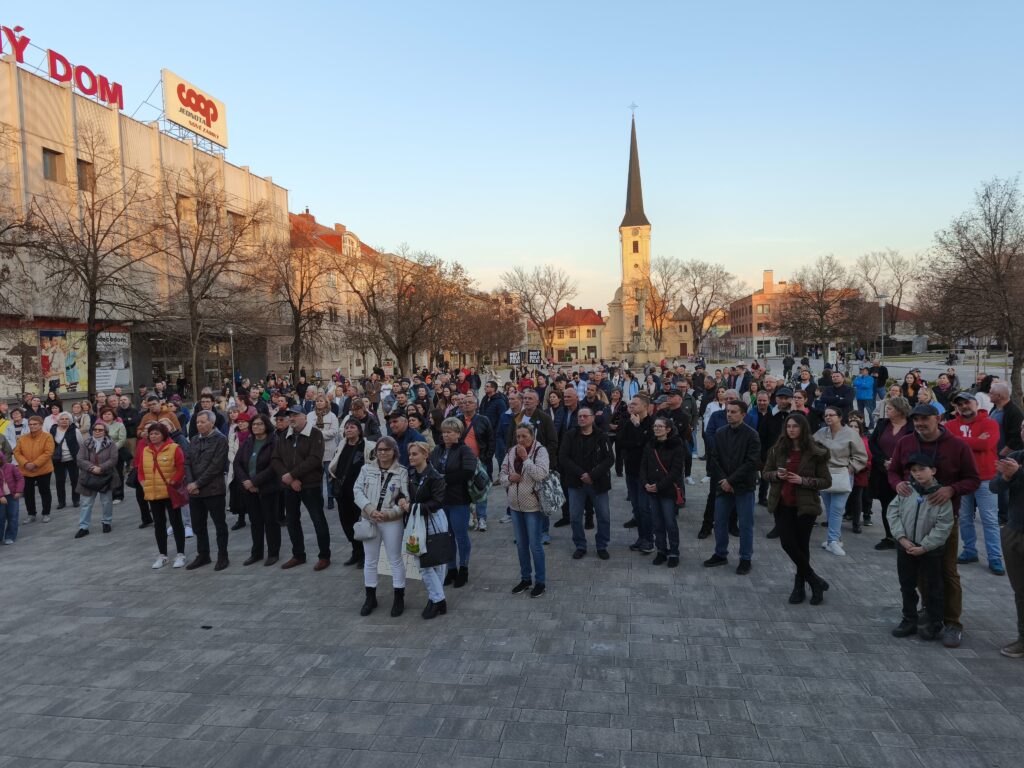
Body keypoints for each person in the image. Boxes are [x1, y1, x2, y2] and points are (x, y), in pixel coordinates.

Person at [888, 403, 980, 649]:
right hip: (911, 521)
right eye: (915, 419)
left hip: (944, 521)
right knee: (917, 573)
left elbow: (973, 479)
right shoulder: (905, 443)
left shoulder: (957, 445)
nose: (919, 423)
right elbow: (894, 471)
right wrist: (897, 483)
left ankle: (952, 623)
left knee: (947, 573)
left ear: (937, 418)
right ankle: (926, 614)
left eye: (924, 419)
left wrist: (952, 489)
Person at [762, 412, 832, 604]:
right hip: (782, 504)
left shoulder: (816, 451)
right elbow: (765, 473)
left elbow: (826, 481)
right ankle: (815, 581)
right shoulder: (778, 450)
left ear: (803, 429)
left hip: (805, 506)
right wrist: (777, 475)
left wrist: (803, 480)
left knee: (802, 546)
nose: (791, 429)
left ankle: (800, 586)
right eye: (788, 426)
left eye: (795, 426)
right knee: (787, 543)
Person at [887, 453, 954, 641]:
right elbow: (893, 513)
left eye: (922, 469)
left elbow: (944, 525)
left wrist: (925, 546)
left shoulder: (940, 495)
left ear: (933, 470)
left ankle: (934, 621)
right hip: (906, 545)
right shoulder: (907, 490)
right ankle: (909, 618)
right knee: (906, 584)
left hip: (930, 550)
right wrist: (901, 538)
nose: (917, 474)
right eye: (913, 471)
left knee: (933, 585)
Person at [947, 392, 1004, 575]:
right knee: (964, 518)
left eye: (967, 402)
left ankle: (995, 558)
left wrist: (958, 440)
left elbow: (986, 446)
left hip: (986, 478)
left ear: (976, 403)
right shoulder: (950, 425)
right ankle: (970, 551)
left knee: (989, 520)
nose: (964, 406)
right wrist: (975, 441)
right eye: (960, 404)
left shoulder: (990, 423)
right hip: (962, 479)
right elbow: (949, 445)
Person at [352, 436, 408, 617]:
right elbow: (357, 490)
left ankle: (399, 597)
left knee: (395, 559)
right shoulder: (366, 469)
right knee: (370, 559)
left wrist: (389, 513)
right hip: (370, 519)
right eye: (380, 450)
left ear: (394, 451)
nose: (383, 453)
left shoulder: (402, 472)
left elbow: (405, 498)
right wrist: (369, 510)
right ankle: (370, 597)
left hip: (391, 520)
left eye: (387, 449)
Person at [704, 399, 760, 574]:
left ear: (743, 414)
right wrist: (723, 480)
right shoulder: (720, 433)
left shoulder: (752, 435)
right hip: (723, 485)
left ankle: (745, 558)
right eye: (728, 411)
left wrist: (731, 481)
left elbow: (751, 463)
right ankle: (720, 554)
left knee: (745, 524)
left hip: (743, 487)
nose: (729, 414)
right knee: (719, 521)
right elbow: (714, 459)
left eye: (734, 412)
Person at [272, 406, 330, 571]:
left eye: (295, 415)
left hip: (310, 485)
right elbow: (275, 459)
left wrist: (293, 475)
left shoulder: (315, 434)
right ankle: (298, 555)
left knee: (318, 520)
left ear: (305, 417)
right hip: (290, 486)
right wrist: (289, 478)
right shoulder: (284, 436)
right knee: (292, 521)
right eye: (290, 416)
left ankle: (324, 556)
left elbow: (314, 459)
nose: (291, 418)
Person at [399, 441, 450, 619]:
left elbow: (437, 502)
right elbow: (402, 492)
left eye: (415, 454)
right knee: (422, 562)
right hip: (416, 520)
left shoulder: (435, 476)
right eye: (410, 454)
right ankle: (439, 600)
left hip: (433, 520)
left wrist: (412, 506)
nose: (411, 457)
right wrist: (400, 500)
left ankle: (435, 600)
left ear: (425, 454)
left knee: (436, 561)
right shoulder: (410, 473)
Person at [500, 422, 550, 597]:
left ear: (532, 436)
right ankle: (525, 578)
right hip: (515, 506)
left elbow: (541, 474)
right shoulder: (511, 450)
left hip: (533, 507)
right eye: (518, 436)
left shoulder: (540, 451)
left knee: (535, 546)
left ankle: (541, 582)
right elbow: (502, 475)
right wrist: (509, 478)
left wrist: (526, 459)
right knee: (521, 545)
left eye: (524, 436)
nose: (520, 440)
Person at [560, 406, 614, 560]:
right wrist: (582, 474)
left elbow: (610, 458)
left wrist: (592, 475)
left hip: (598, 483)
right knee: (575, 517)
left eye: (585, 416)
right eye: (579, 416)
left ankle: (602, 545)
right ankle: (580, 545)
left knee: (604, 516)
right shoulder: (570, 435)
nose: (581, 419)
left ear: (592, 418)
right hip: (576, 483)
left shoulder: (602, 436)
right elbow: (563, 458)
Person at [814, 405, 868, 556]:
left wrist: (851, 468)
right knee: (830, 509)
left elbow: (861, 456)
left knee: (837, 509)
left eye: (831, 415)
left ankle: (832, 541)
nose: (828, 418)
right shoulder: (820, 433)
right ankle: (836, 539)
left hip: (843, 474)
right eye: (826, 415)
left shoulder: (850, 434)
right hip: (824, 475)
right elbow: (810, 448)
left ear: (840, 417)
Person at [431, 418, 476, 587]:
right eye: (443, 432)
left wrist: (444, 479)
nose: (445, 435)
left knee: (460, 535)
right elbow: (430, 469)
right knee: (446, 536)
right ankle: (451, 569)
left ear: (458, 433)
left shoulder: (464, 450)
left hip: (459, 499)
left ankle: (463, 568)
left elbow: (468, 472)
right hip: (441, 500)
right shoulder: (437, 449)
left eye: (449, 432)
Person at [233, 413, 282, 566]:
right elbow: (237, 463)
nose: (256, 427)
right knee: (255, 521)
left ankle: (273, 553)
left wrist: (254, 482)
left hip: (268, 488)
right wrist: (246, 482)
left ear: (267, 425)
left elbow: (273, 466)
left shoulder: (274, 442)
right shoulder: (248, 442)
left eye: (260, 424)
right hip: (249, 489)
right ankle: (257, 553)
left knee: (270, 521)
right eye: (254, 424)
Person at [136, 422, 187, 568]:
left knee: (176, 522)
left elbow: (181, 467)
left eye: (156, 433)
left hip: (170, 492)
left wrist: (174, 481)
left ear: (164, 434)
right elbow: (140, 469)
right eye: (151, 433)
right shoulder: (146, 450)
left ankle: (180, 554)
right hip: (153, 492)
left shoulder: (174, 448)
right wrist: (143, 483)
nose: (153, 436)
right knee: (158, 524)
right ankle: (163, 555)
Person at [184, 410, 230, 571]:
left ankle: (223, 555)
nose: (199, 425)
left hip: (213, 489)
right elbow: (187, 462)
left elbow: (216, 467)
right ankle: (203, 554)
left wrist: (197, 484)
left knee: (219, 524)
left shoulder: (220, 440)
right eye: (197, 422)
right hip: (194, 491)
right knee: (198, 525)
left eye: (202, 422)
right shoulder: (194, 439)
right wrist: (190, 483)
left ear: (212, 423)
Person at [991, 440, 1024, 658]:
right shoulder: (1017, 456)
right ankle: (1023, 638)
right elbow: (994, 487)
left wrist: (1019, 472)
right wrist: (1006, 476)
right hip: (1015, 530)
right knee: (1020, 590)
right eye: (1022, 427)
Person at [641, 415, 686, 567]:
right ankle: (661, 550)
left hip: (667, 491)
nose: (657, 428)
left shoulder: (676, 445)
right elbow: (643, 466)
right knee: (657, 523)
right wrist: (645, 483)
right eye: (655, 426)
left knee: (670, 522)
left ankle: (674, 552)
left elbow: (676, 471)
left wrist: (658, 486)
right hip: (652, 490)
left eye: (660, 426)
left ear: (668, 429)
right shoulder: (650, 444)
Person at [329, 420, 369, 567]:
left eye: (352, 427)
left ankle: (365, 554)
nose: (348, 430)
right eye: (346, 427)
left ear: (359, 430)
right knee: (347, 523)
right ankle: (355, 551)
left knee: (360, 523)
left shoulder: (366, 446)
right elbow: (335, 463)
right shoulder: (342, 444)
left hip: (359, 492)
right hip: (342, 491)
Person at [74, 420, 118, 537]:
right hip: (88, 476)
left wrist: (101, 468)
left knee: (107, 501)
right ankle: (83, 527)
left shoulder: (111, 444)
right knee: (86, 503)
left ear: (105, 432)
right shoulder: (85, 443)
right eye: (95, 430)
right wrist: (92, 467)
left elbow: (113, 459)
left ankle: (106, 522)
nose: (97, 432)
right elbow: (80, 459)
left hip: (106, 476)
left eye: (100, 430)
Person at [459, 393, 494, 531]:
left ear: (476, 405)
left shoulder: (483, 420)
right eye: (464, 402)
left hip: (480, 462)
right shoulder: (457, 420)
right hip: (462, 462)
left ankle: (481, 518)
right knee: (464, 491)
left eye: (470, 402)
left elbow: (491, 440)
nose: (467, 404)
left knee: (480, 491)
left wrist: (486, 457)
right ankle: (469, 517)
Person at [14, 415, 55, 524]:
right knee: (28, 493)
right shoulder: (23, 438)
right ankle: (31, 514)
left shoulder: (47, 437)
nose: (32, 426)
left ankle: (46, 513)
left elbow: (48, 452)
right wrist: (25, 463)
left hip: (43, 469)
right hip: (26, 470)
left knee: (44, 491)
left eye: (35, 424)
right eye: (30, 424)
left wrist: (35, 464)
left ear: (41, 425)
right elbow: (17, 452)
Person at [313, 395, 340, 510]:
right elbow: (308, 430)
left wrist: (318, 434)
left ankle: (330, 497)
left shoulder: (332, 415)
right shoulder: (310, 415)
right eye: (317, 401)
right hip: (315, 451)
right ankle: (318, 499)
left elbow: (334, 432)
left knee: (329, 477)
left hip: (329, 450)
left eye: (321, 401)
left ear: (326, 402)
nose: (319, 403)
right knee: (317, 477)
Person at [50, 412, 81, 510]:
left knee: (75, 481)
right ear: (58, 421)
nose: (64, 420)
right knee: (59, 481)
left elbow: (81, 444)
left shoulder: (75, 430)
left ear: (70, 421)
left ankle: (76, 500)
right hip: (58, 460)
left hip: (72, 459)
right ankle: (61, 502)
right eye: (62, 419)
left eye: (66, 419)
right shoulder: (53, 430)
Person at [0, 450, 25, 544]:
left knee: (13, 516)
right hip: (1, 497)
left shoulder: (11, 467)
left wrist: (19, 491)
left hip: (13, 496)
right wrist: (1, 496)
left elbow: (20, 478)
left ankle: (10, 536)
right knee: (0, 517)